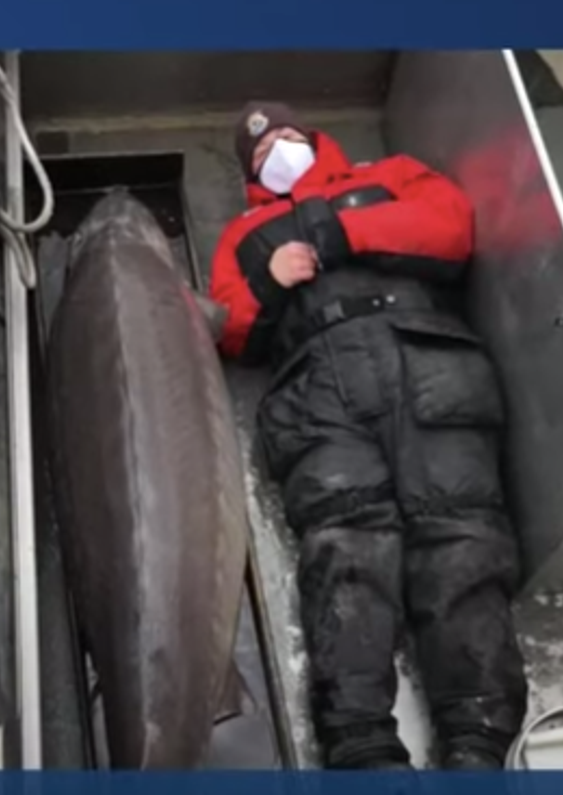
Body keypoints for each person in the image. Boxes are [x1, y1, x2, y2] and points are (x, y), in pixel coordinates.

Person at [208, 102, 528, 771]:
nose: (280, 149)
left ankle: (478, 738)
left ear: (317, 139)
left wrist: (342, 232)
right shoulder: (242, 233)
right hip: (316, 386)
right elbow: (228, 325)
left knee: (461, 532)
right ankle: (360, 742)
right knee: (344, 546)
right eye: (262, 152)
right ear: (250, 175)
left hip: (426, 358)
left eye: (289, 136)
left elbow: (450, 226)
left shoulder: (390, 173)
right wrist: (269, 283)